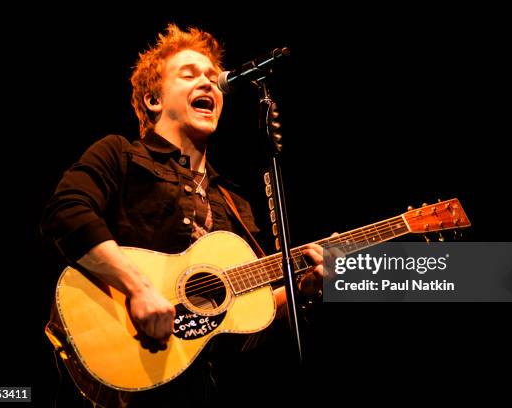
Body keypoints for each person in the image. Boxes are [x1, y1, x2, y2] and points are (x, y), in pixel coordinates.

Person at [41, 23, 326, 406]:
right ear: (154, 100)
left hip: (194, 387)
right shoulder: (120, 155)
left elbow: (242, 324)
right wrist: (138, 288)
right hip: (113, 365)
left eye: (213, 77)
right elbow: (65, 212)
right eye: (189, 75)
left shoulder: (233, 203)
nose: (209, 83)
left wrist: (296, 294)